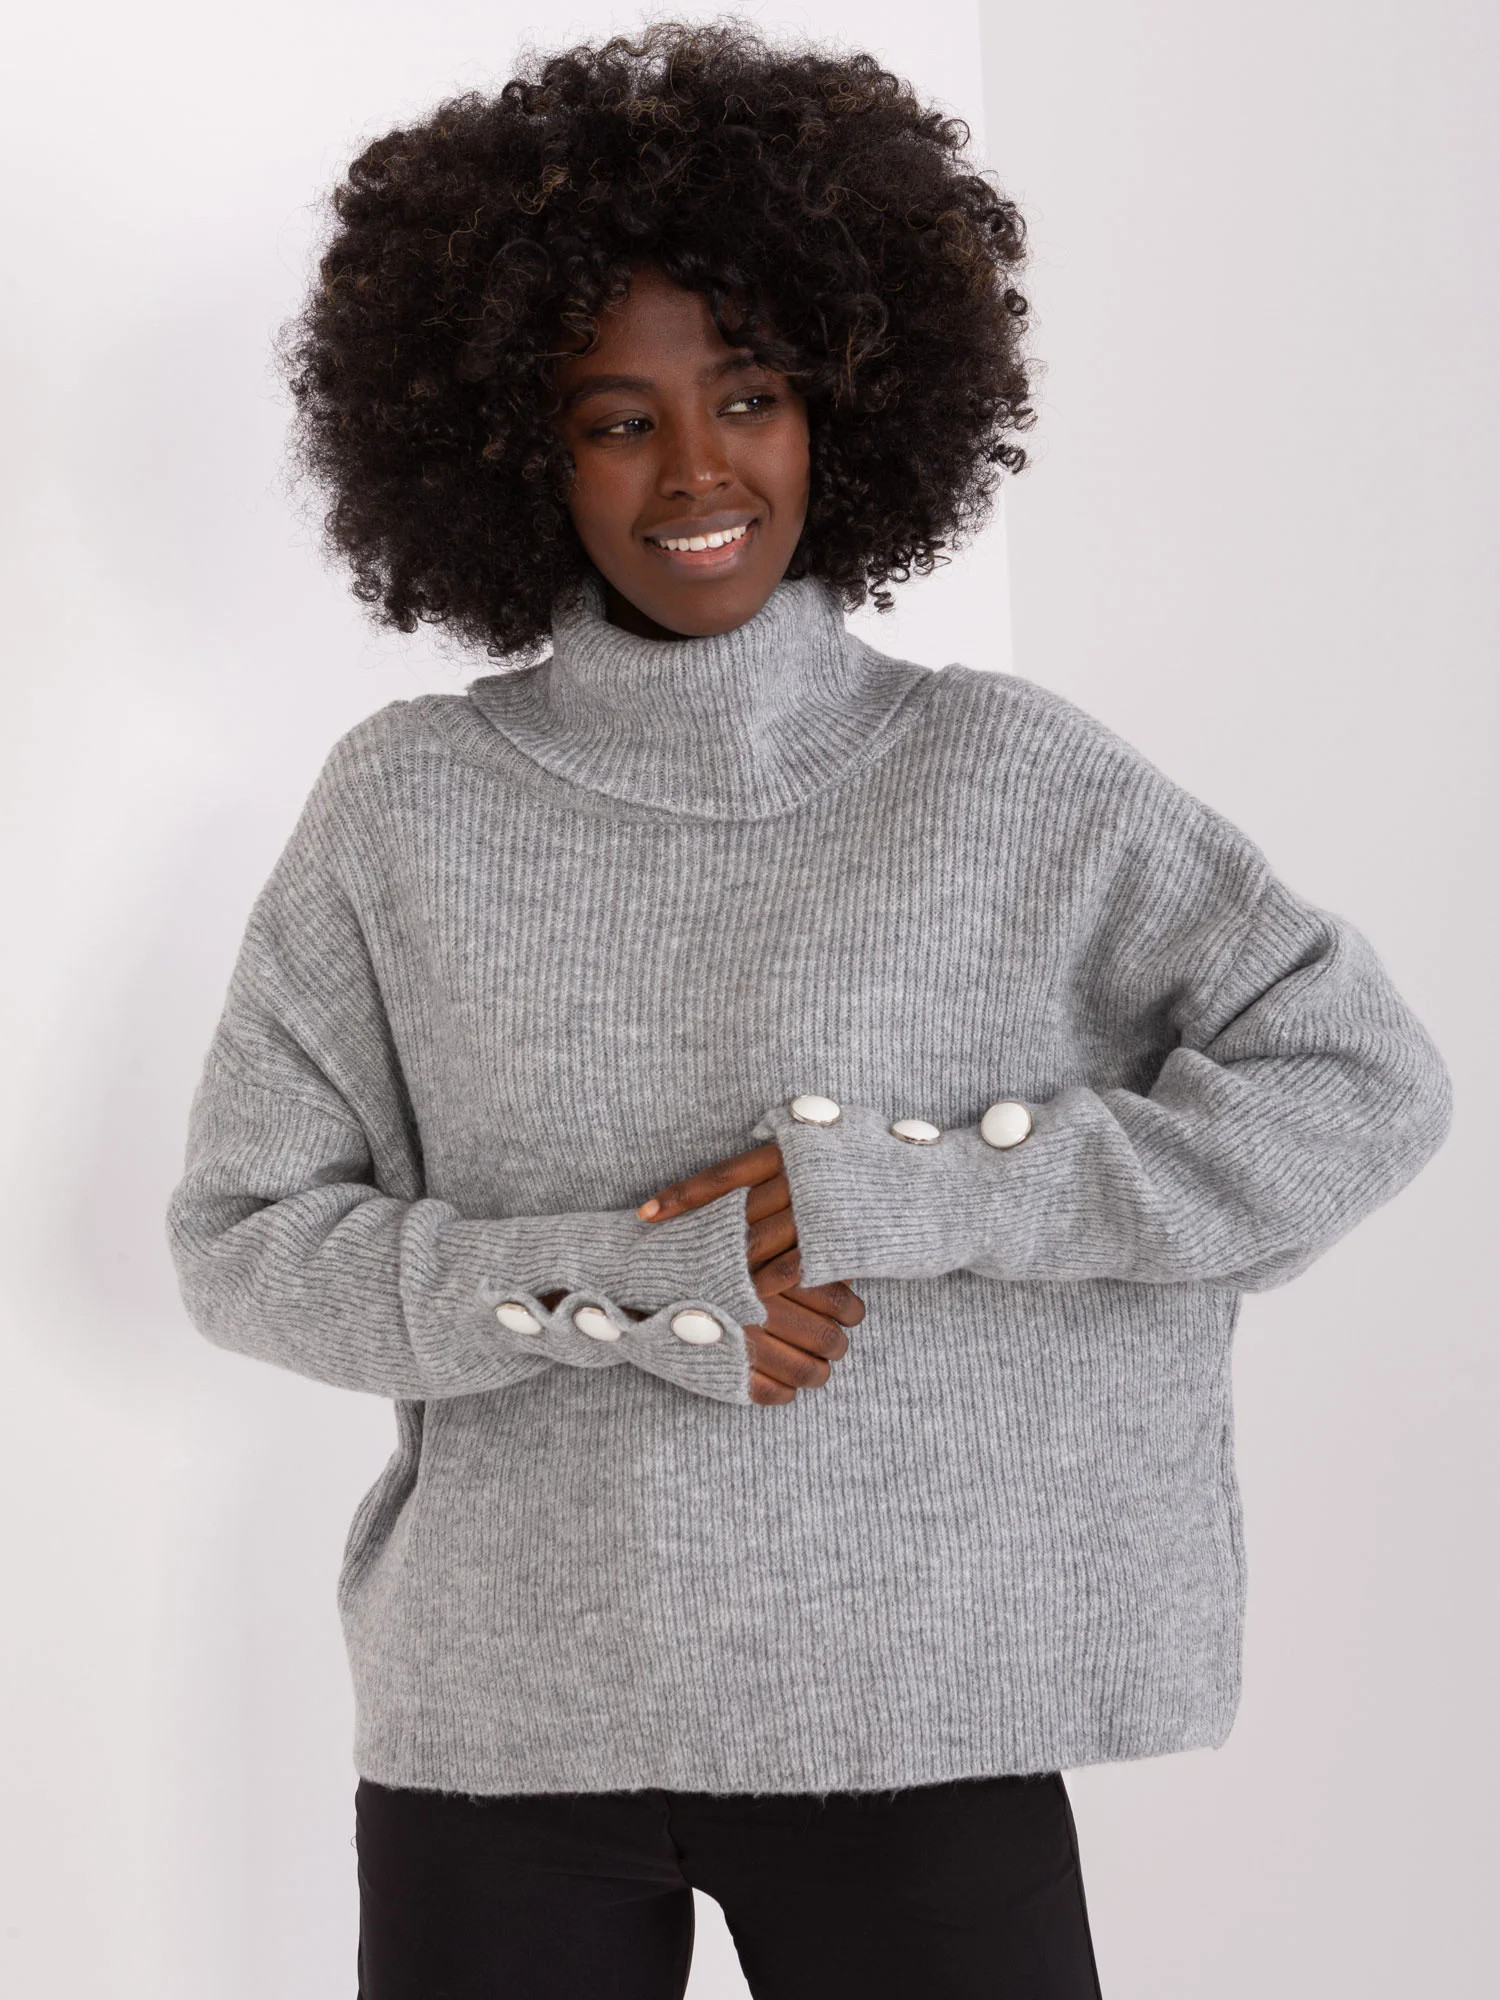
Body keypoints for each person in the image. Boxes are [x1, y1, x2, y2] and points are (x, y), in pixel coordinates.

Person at [164, 19, 1453, 1998]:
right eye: (617, 418)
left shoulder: (1011, 774)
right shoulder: (406, 805)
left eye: (749, 395)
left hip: (920, 1720)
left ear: (845, 408)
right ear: (514, 452)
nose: (697, 469)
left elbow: (1359, 1080)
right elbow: (245, 1240)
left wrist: (911, 1192)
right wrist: (619, 1284)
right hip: (504, 1733)